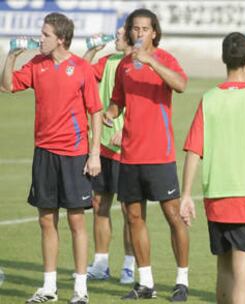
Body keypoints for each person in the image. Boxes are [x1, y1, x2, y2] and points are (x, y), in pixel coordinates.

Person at [1, 12, 102, 304]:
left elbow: (95, 111)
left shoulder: (81, 68)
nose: (40, 39)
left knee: (76, 222)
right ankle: (49, 287)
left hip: (73, 155)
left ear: (61, 39)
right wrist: (11, 58)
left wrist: (94, 153)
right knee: (46, 221)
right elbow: (6, 86)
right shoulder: (36, 65)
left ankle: (80, 290)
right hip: (43, 154)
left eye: (45, 35)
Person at [180, 32, 245, 304]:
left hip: (216, 197)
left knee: (224, 269)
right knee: (243, 273)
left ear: (223, 58)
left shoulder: (209, 99)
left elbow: (194, 150)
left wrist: (185, 196)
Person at [103, 8, 190, 301]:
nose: (139, 33)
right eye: (135, 28)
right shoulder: (123, 66)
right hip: (129, 155)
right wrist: (109, 114)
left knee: (173, 216)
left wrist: (151, 61)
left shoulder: (164, 59)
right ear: (130, 32)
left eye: (145, 28)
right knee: (134, 217)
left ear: (154, 32)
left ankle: (182, 280)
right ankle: (146, 283)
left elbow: (180, 85)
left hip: (160, 154)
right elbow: (118, 102)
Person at [82, 26, 136, 285]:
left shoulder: (137, 64)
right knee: (99, 205)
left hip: (128, 149)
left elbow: (146, 104)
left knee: (129, 210)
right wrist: (91, 52)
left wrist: (127, 129)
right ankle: (101, 263)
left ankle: (129, 265)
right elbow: (80, 74)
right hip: (101, 146)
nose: (115, 37)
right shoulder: (107, 62)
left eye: (119, 34)